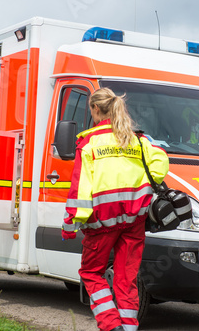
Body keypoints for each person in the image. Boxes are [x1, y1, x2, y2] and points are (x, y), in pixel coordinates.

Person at [61, 88, 169, 331]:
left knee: (91, 272)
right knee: (126, 278)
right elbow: (161, 160)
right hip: (134, 221)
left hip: (101, 223)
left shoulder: (88, 143)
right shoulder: (137, 139)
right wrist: (146, 180)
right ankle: (128, 328)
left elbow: (80, 190)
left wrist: (69, 225)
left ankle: (110, 325)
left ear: (96, 110)